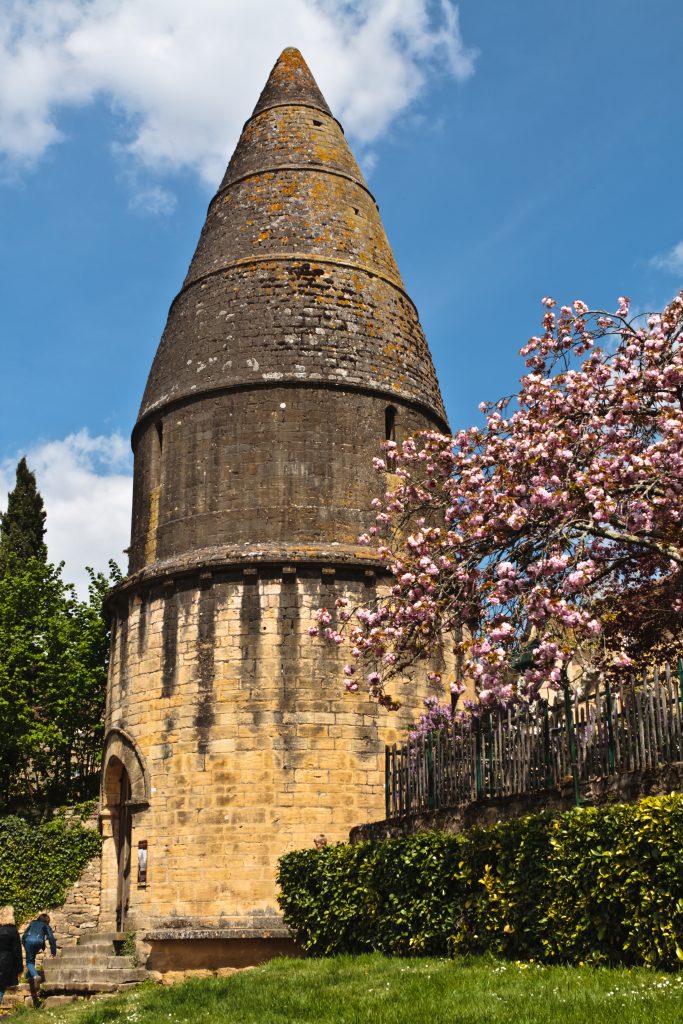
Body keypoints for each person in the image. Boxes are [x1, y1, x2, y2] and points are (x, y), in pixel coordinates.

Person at [22, 913, 56, 984]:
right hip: (39, 941)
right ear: (47, 921)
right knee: (32, 958)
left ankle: (35, 976)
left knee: (29, 961)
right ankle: (31, 978)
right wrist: (53, 952)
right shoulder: (46, 925)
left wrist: (25, 944)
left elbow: (24, 935)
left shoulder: (32, 924)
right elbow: (51, 937)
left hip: (29, 940)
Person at [0, 906, 22, 1007]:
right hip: (5, 962)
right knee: (1, 988)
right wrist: (19, 968)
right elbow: (17, 951)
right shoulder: (12, 930)